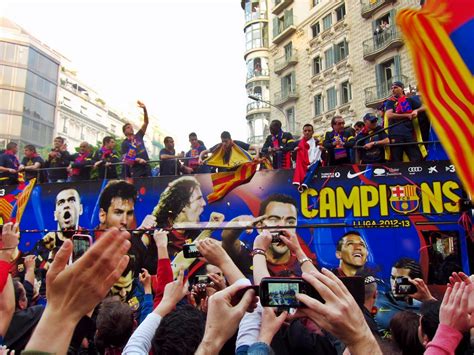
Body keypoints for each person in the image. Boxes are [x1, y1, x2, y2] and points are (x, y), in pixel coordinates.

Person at [221, 193, 316, 278]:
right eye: (274, 219)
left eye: (290, 221)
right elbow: (227, 240)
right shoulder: (246, 256)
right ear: (259, 227)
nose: (282, 227)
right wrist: (239, 222)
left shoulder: (305, 266)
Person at [375, 257, 436, 333]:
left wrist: (429, 299)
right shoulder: (378, 300)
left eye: (400, 280)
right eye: (392, 278)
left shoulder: (423, 307)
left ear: (414, 281)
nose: (394, 284)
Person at [152, 176, 206, 257]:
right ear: (183, 206)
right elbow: (182, 259)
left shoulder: (194, 232)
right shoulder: (158, 233)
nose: (204, 203)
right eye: (199, 199)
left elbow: (195, 255)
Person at [384, 81, 424, 162]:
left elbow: (425, 106)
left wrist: (416, 110)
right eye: (392, 88)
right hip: (395, 134)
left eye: (395, 87)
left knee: (417, 158)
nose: (393, 90)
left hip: (408, 133)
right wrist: (406, 115)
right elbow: (389, 115)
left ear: (402, 88)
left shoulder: (409, 100)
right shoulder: (390, 101)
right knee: (396, 160)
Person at [121, 100, 151, 178]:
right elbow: (126, 159)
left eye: (131, 127)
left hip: (146, 165)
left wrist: (145, 109)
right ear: (124, 132)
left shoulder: (138, 136)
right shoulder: (125, 143)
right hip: (136, 169)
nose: (131, 128)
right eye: (128, 127)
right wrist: (138, 160)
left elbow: (146, 122)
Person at [292, 123, 322, 191]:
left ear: (312, 132)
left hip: (313, 164)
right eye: (305, 131)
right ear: (303, 132)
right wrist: (295, 152)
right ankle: (302, 184)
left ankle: (305, 183)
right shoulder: (297, 143)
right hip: (301, 164)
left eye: (309, 131)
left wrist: (322, 149)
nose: (307, 132)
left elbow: (322, 155)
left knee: (316, 162)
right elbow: (293, 158)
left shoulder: (317, 142)